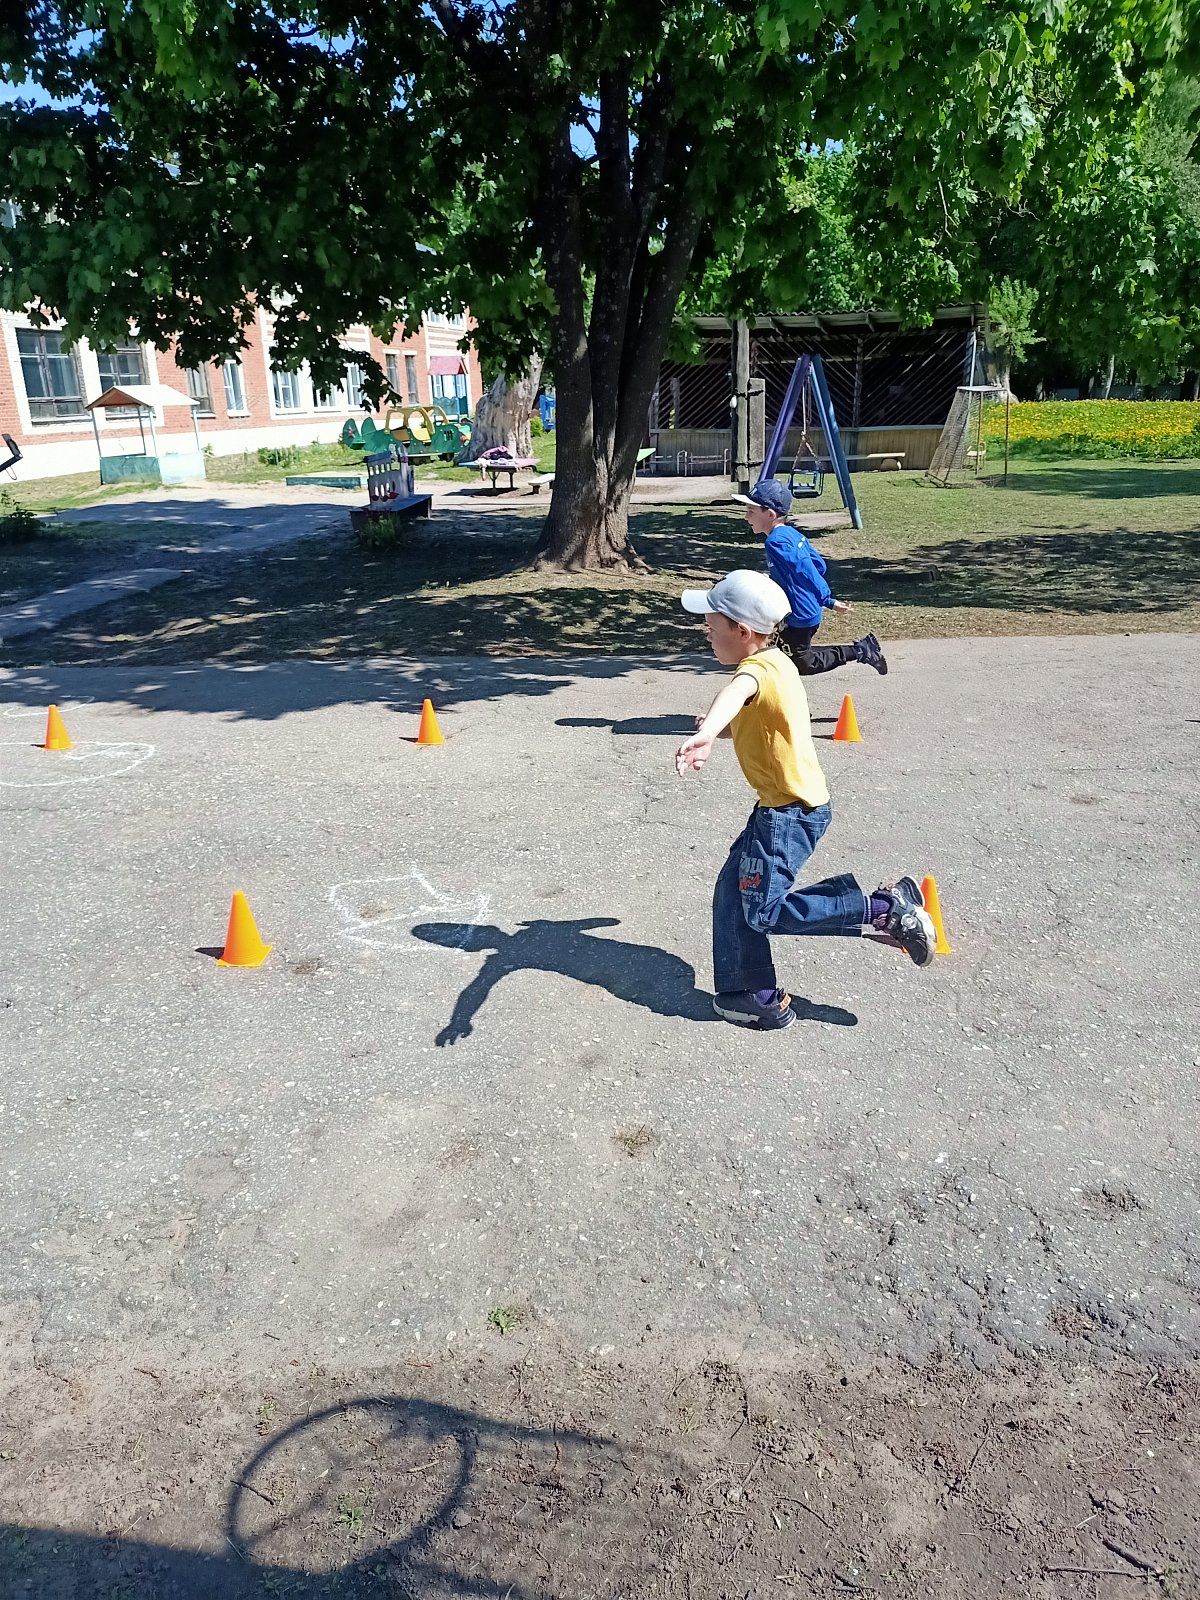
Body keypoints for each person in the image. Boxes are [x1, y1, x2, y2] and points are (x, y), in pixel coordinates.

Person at [674, 569, 934, 1030]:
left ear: (743, 631)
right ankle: (749, 992)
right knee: (734, 892)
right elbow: (762, 719)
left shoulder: (753, 672)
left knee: (764, 910)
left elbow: (736, 692)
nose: (706, 633)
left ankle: (883, 910)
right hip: (782, 809)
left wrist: (710, 732)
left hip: (788, 814)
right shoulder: (778, 663)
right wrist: (720, 729)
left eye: (712, 626)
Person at [733, 479, 887, 676]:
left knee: (804, 663)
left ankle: (862, 650)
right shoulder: (790, 533)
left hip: (801, 615)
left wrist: (827, 600)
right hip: (800, 609)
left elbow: (807, 570)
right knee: (779, 651)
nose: (746, 516)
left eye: (751, 511)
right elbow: (819, 564)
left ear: (770, 514)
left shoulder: (775, 542)